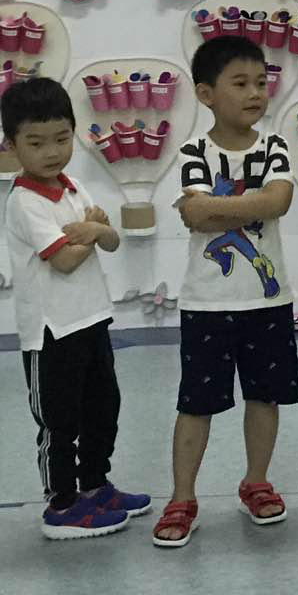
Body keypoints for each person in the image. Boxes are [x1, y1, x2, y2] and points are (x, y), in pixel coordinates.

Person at [151, 36, 298, 548]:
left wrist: (219, 209)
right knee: (196, 403)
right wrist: (248, 205)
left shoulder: (274, 146)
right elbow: (195, 215)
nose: (255, 93)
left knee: (264, 397)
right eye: (240, 83)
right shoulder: (194, 151)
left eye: (260, 82)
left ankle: (256, 482)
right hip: (207, 304)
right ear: (206, 93)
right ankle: (182, 497)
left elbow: (277, 203)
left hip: (268, 302)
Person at [2, 77, 151, 539]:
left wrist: (93, 231)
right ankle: (62, 505)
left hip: (91, 319)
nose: (52, 152)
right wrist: (92, 232)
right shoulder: (24, 202)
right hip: (51, 332)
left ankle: (95, 487)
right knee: (59, 421)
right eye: (36, 142)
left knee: (103, 408)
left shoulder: (73, 187)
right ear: (11, 145)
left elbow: (111, 239)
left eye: (62, 138)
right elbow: (65, 260)